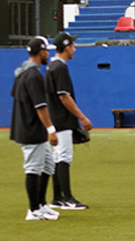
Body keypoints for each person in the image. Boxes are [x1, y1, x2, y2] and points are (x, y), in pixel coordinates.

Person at [10, 36, 60, 221]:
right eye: (47, 50)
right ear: (41, 52)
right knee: (33, 168)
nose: (48, 54)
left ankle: (41, 204)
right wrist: (51, 129)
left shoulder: (24, 72)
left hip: (30, 127)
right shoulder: (33, 75)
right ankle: (33, 210)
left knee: (48, 165)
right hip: (31, 129)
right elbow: (40, 105)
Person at [46, 32, 92, 210]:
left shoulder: (52, 66)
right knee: (64, 157)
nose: (75, 48)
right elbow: (64, 97)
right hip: (62, 120)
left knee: (58, 158)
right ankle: (67, 198)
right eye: (72, 45)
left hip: (55, 119)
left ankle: (57, 198)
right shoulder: (60, 67)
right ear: (66, 47)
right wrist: (82, 117)